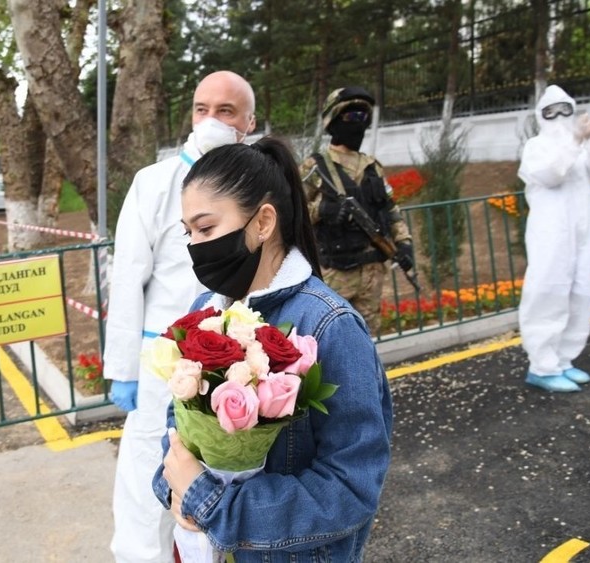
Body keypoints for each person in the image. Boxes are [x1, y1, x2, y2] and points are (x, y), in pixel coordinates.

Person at [152, 137, 393, 561]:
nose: (196, 246)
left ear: (263, 222)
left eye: (206, 229)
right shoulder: (204, 311)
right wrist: (173, 487)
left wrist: (212, 505)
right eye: (188, 233)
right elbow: (179, 424)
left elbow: (351, 487)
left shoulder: (330, 326)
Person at [105, 70, 256, 563]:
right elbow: (128, 277)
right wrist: (124, 369)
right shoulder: (154, 183)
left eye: (226, 111)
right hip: (161, 361)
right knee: (148, 471)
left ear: (249, 122)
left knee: (223, 476)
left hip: (237, 361)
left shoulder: (259, 185)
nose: (211, 120)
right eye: (201, 109)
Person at [517, 85, 590, 392]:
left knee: (581, 292)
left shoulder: (585, 144)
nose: (560, 116)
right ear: (541, 115)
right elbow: (550, 175)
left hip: (585, 232)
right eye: (551, 111)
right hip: (551, 233)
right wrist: (575, 141)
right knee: (548, 291)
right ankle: (542, 365)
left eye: (565, 109)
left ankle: (563, 359)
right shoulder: (536, 146)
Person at [299, 86, 414, 335]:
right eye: (351, 116)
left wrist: (404, 243)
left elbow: (390, 209)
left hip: (372, 273)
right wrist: (322, 210)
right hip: (335, 272)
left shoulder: (373, 167)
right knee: (330, 337)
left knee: (368, 338)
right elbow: (292, 213)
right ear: (333, 121)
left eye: (363, 117)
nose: (358, 123)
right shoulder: (315, 166)